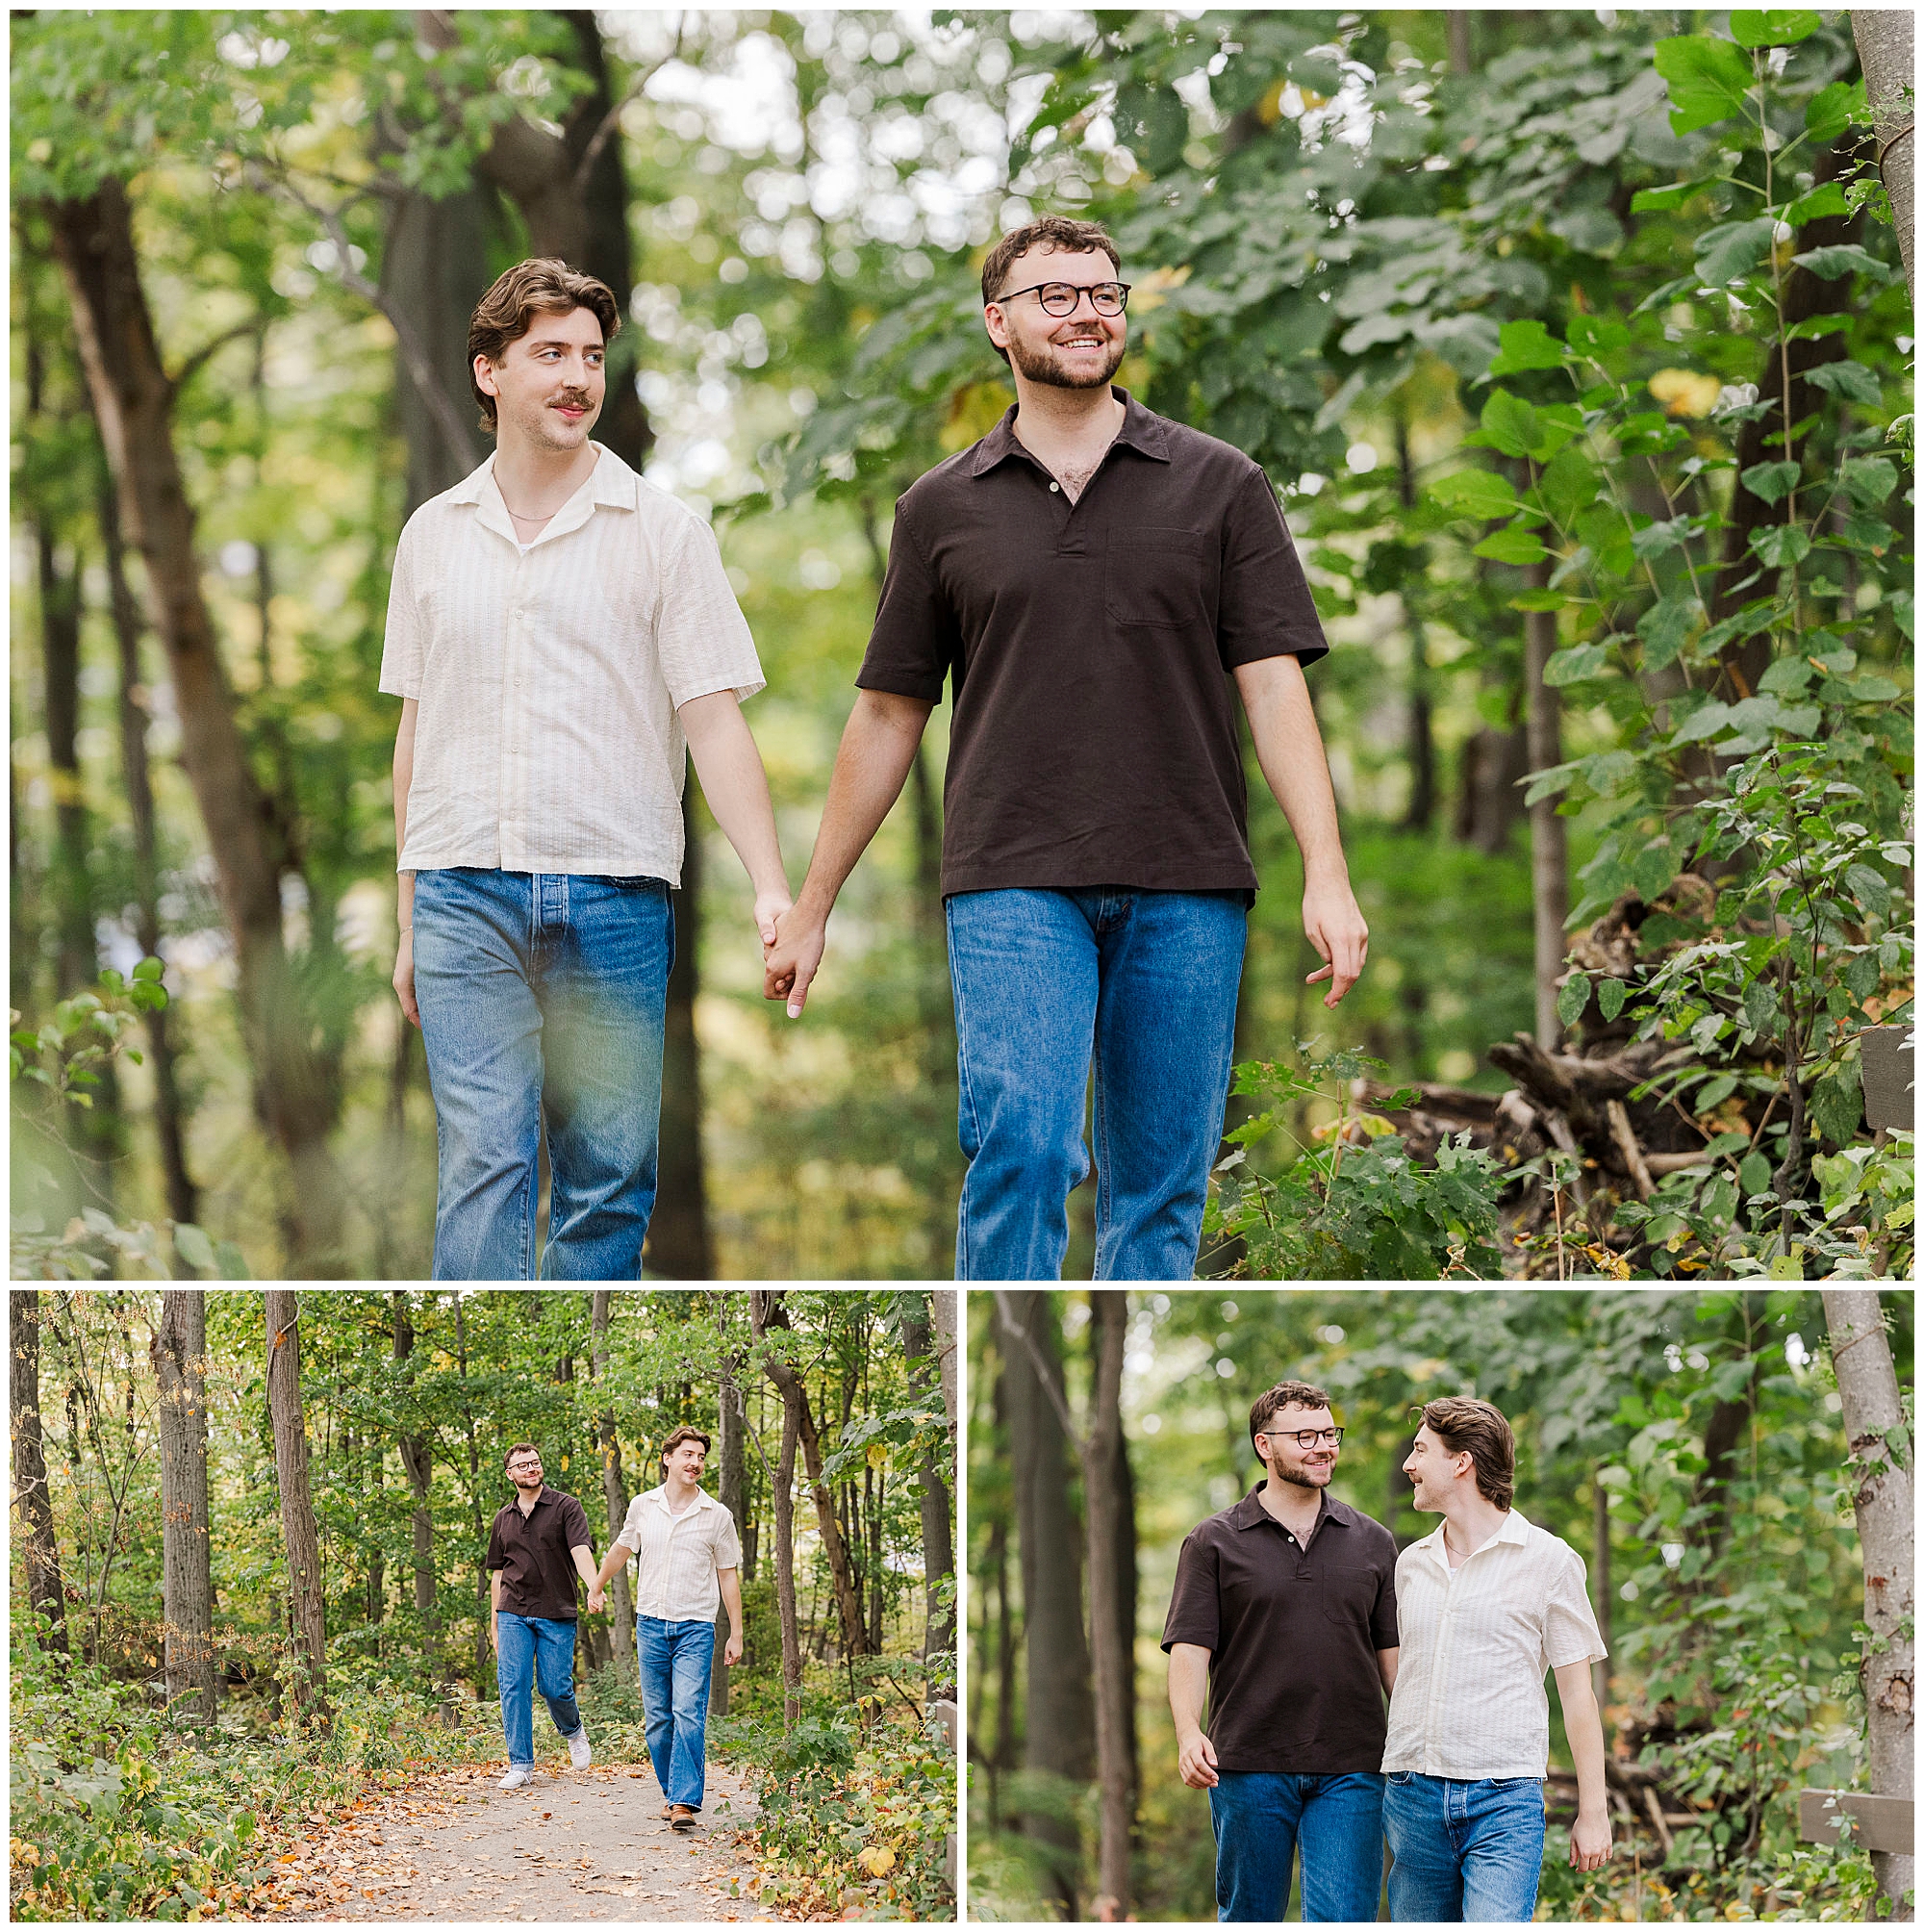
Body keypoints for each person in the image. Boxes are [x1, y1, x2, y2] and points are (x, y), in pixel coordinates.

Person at [762, 215, 1369, 1281]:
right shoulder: (939, 507)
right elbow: (887, 713)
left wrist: (1327, 871)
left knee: (1161, 1186)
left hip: (1187, 875)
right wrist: (811, 905)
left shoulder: (1220, 483)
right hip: (1010, 878)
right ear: (997, 322)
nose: (1088, 310)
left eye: (1104, 292)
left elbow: (1273, 687)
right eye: (1056, 294)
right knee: (1026, 1148)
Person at [381, 257, 790, 1280]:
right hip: (461, 891)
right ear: (489, 372)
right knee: (485, 1161)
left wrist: (772, 888)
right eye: (549, 354)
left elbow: (715, 720)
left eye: (592, 357)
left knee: (609, 1176)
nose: (576, 378)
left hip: (616, 895)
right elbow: (415, 734)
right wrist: (406, 917)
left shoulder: (661, 532)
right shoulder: (432, 536)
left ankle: (583, 1370)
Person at [1163, 1380, 1400, 1922]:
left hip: (1354, 1767)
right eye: (1305, 1435)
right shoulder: (1213, 1541)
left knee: (1346, 1917)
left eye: (1330, 1433)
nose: (1324, 1446)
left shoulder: (1374, 1542)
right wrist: (1186, 1732)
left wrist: (1415, 1742)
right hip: (1246, 1765)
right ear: (1264, 1445)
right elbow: (1190, 1647)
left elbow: (1393, 1657)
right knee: (1251, 1916)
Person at [1383, 1397, 1613, 1921]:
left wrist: (1593, 1810)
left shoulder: (1550, 1562)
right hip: (1411, 1795)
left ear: (1461, 1461)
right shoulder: (1410, 1564)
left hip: (1503, 1801)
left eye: (1421, 1450)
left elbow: (1578, 1695)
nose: (1408, 1465)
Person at [588, 1425, 744, 1830]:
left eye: (701, 1457)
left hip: (696, 1626)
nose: (695, 1463)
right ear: (668, 1458)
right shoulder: (643, 1506)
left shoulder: (717, 1515)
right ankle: (672, 1794)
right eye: (688, 1455)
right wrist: (597, 1585)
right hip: (652, 1624)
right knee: (658, 1721)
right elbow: (622, 1549)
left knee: (688, 1712)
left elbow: (727, 1576)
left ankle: (683, 1802)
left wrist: (736, 1632)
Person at [486, 1443, 597, 1790]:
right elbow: (497, 1573)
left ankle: (574, 1731)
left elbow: (580, 1550)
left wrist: (594, 1585)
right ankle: (521, 1764)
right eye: (522, 1465)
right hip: (513, 1610)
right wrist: (494, 1622)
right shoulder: (503, 1519)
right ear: (510, 1475)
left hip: (557, 1610)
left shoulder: (567, 1507)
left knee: (554, 1687)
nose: (531, 1468)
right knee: (513, 1684)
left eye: (534, 1462)